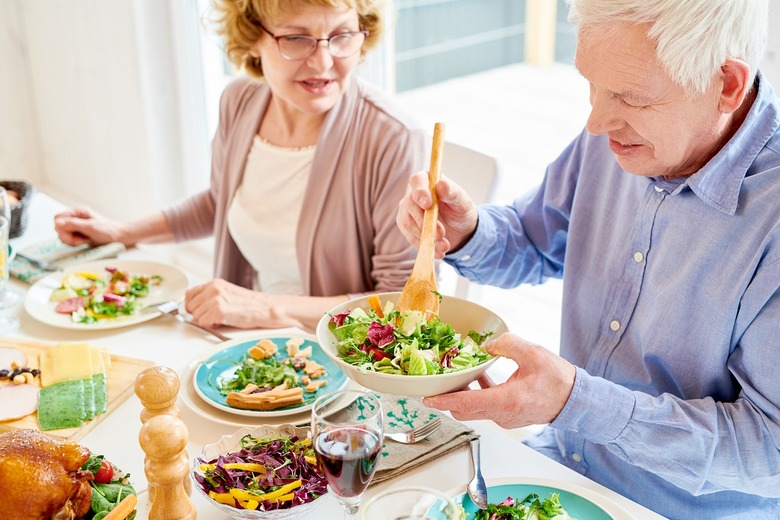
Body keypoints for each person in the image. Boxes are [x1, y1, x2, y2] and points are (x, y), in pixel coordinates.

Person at [396, 0, 779, 517]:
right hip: (556, 468)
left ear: (727, 84)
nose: (596, 123)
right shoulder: (624, 135)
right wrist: (467, 232)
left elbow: (769, 449)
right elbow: (535, 239)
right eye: (591, 85)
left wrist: (578, 403)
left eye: (629, 96)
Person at [54, 0, 426, 332]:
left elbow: (401, 300)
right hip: (254, 338)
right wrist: (121, 232)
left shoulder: (393, 136)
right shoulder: (240, 101)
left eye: (342, 36)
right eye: (296, 38)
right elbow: (222, 201)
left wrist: (266, 307)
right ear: (251, 38)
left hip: (344, 356)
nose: (323, 61)